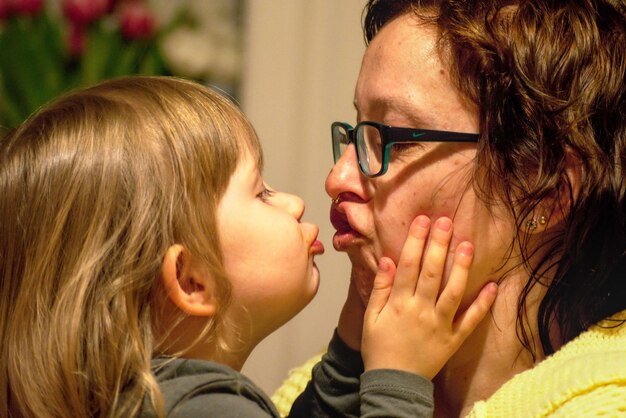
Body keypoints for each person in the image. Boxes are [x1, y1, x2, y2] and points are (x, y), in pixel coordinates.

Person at [0, 76, 496, 417]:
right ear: (192, 280)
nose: (297, 203)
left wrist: (352, 343)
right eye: (261, 193)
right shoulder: (204, 409)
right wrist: (397, 380)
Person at [274, 0, 626, 416]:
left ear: (547, 190)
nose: (338, 178)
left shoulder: (606, 403)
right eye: (356, 133)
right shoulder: (326, 387)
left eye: (396, 140)